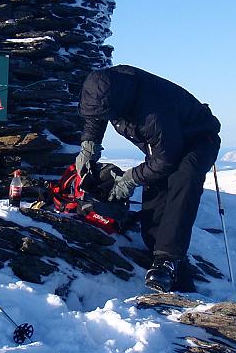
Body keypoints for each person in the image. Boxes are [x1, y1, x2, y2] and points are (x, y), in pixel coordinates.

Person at [75, 65, 221, 292]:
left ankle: (168, 261)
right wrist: (89, 146)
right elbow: (98, 114)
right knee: (155, 189)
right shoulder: (107, 88)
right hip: (166, 143)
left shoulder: (152, 109)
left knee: (181, 184)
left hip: (198, 139)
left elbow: (165, 160)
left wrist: (128, 180)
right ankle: (155, 249)